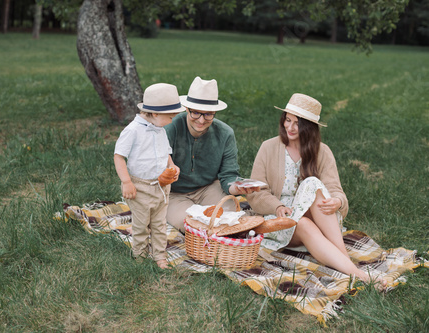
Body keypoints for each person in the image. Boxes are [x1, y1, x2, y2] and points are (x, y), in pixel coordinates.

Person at [246, 93, 386, 289]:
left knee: (312, 185)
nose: (290, 127)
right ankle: (357, 272)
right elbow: (255, 193)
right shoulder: (268, 148)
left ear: (309, 127)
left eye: (297, 123)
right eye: (287, 120)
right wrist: (277, 206)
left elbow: (335, 190)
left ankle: (347, 265)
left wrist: (337, 202)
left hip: (316, 218)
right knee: (302, 220)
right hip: (280, 222)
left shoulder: (323, 151)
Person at [165, 76, 260, 233]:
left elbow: (228, 175)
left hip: (208, 188)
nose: (201, 120)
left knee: (230, 220)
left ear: (215, 112)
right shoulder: (171, 127)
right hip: (174, 193)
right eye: (195, 113)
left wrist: (239, 188)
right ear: (187, 108)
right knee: (190, 224)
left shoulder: (225, 133)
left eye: (208, 114)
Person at [114, 83, 184, 269]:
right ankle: (140, 256)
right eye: (170, 117)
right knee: (141, 225)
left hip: (161, 187)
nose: (172, 120)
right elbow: (119, 156)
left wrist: (172, 165)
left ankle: (160, 255)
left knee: (160, 224)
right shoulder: (133, 130)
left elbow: (165, 152)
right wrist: (127, 181)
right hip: (141, 186)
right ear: (155, 114)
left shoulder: (160, 130)